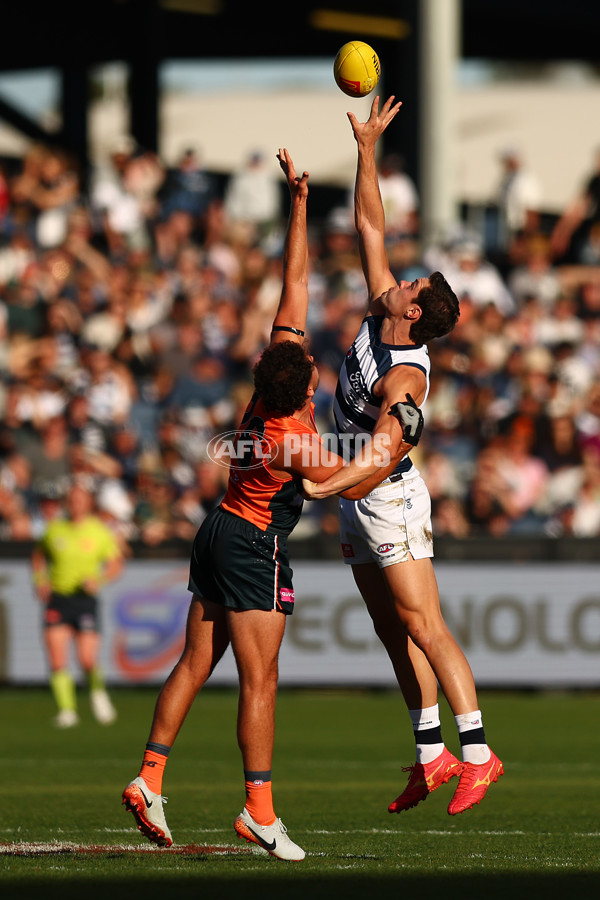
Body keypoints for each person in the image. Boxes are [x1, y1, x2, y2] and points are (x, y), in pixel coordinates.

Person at [120, 149, 417, 859]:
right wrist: (396, 444)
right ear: (305, 385)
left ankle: (149, 777)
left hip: (218, 527)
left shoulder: (267, 392)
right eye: (312, 365)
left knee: (195, 661)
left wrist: (300, 204)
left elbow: (295, 283)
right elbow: (343, 483)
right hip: (254, 544)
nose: (312, 356)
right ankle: (259, 809)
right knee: (261, 681)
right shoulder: (296, 438)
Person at [302, 96, 504, 817]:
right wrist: (366, 150)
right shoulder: (382, 305)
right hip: (357, 495)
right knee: (392, 630)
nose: (401, 281)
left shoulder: (408, 376)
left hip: (387, 496)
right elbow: (370, 223)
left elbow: (386, 453)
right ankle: (430, 754)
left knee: (426, 625)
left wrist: (327, 486)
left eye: (412, 286)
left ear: (413, 313)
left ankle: (478, 753)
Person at [31, 480, 124, 728]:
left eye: (80, 500)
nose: (75, 504)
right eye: (71, 500)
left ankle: (97, 693)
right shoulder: (55, 529)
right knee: (56, 658)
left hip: (84, 600)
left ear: (89, 503)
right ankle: (67, 711)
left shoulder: (99, 531)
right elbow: (38, 557)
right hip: (58, 599)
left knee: (86, 659)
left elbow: (115, 564)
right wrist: (40, 581)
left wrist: (98, 580)